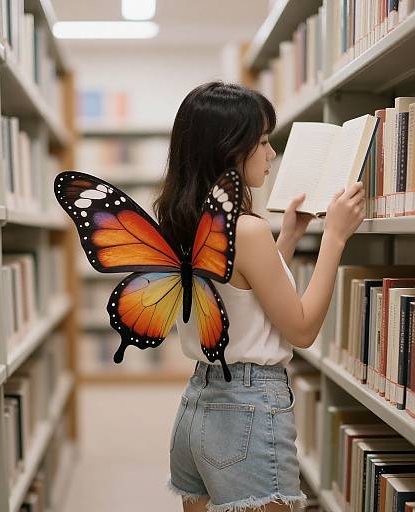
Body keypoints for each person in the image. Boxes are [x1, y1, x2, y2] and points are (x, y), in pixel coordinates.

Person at [153, 82, 365, 512]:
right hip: (247, 409)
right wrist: (335, 239)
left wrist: (285, 239)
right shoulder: (246, 229)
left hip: (198, 405)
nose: (271, 155)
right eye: (264, 142)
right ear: (230, 149)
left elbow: (243, 295)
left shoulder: (179, 220)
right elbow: (302, 329)